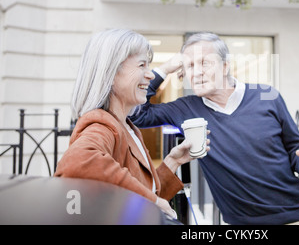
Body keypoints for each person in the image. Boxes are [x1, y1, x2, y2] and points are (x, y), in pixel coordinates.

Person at [131, 32, 299, 225]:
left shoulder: (267, 96)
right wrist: (165, 68)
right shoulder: (186, 108)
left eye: (205, 63)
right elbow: (136, 114)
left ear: (225, 66)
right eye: (190, 66)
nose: (197, 72)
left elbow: (294, 147)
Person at [55, 29, 208, 219]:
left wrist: (173, 161)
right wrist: (152, 201)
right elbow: (77, 164)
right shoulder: (101, 126)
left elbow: (142, 192)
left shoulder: (127, 126)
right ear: (110, 73)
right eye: (142, 65)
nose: (150, 75)